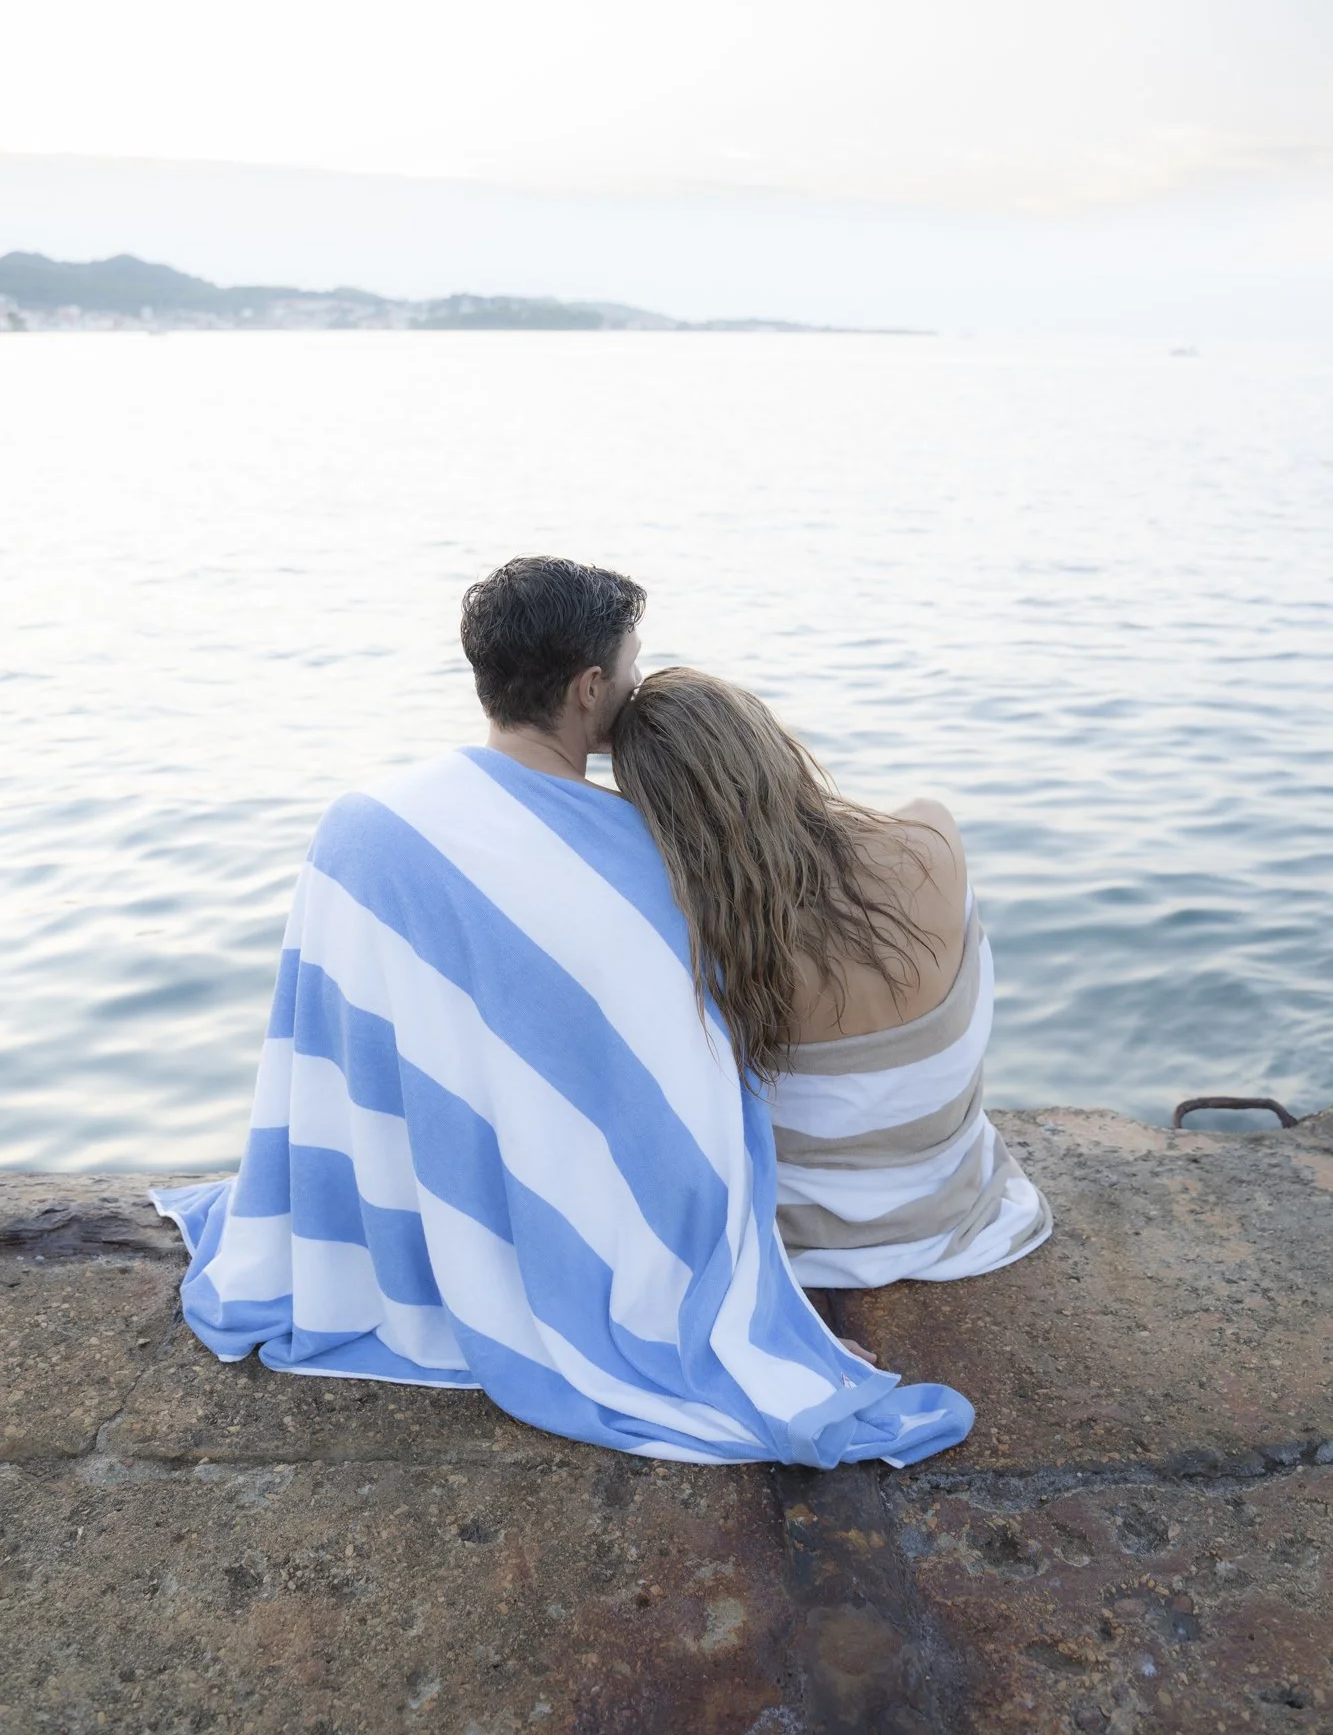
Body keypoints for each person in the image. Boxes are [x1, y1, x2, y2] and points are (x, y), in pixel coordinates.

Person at [152, 557, 973, 1470]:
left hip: (384, 1194)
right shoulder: (646, 860)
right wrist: (756, 1326)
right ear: (590, 688)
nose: (631, 681)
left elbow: (331, 1046)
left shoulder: (364, 822)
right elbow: (677, 1103)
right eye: (628, 663)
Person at [611, 668, 1052, 1291]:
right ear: (776, 748)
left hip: (798, 1248)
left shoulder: (702, 938)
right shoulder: (928, 838)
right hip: (960, 1218)